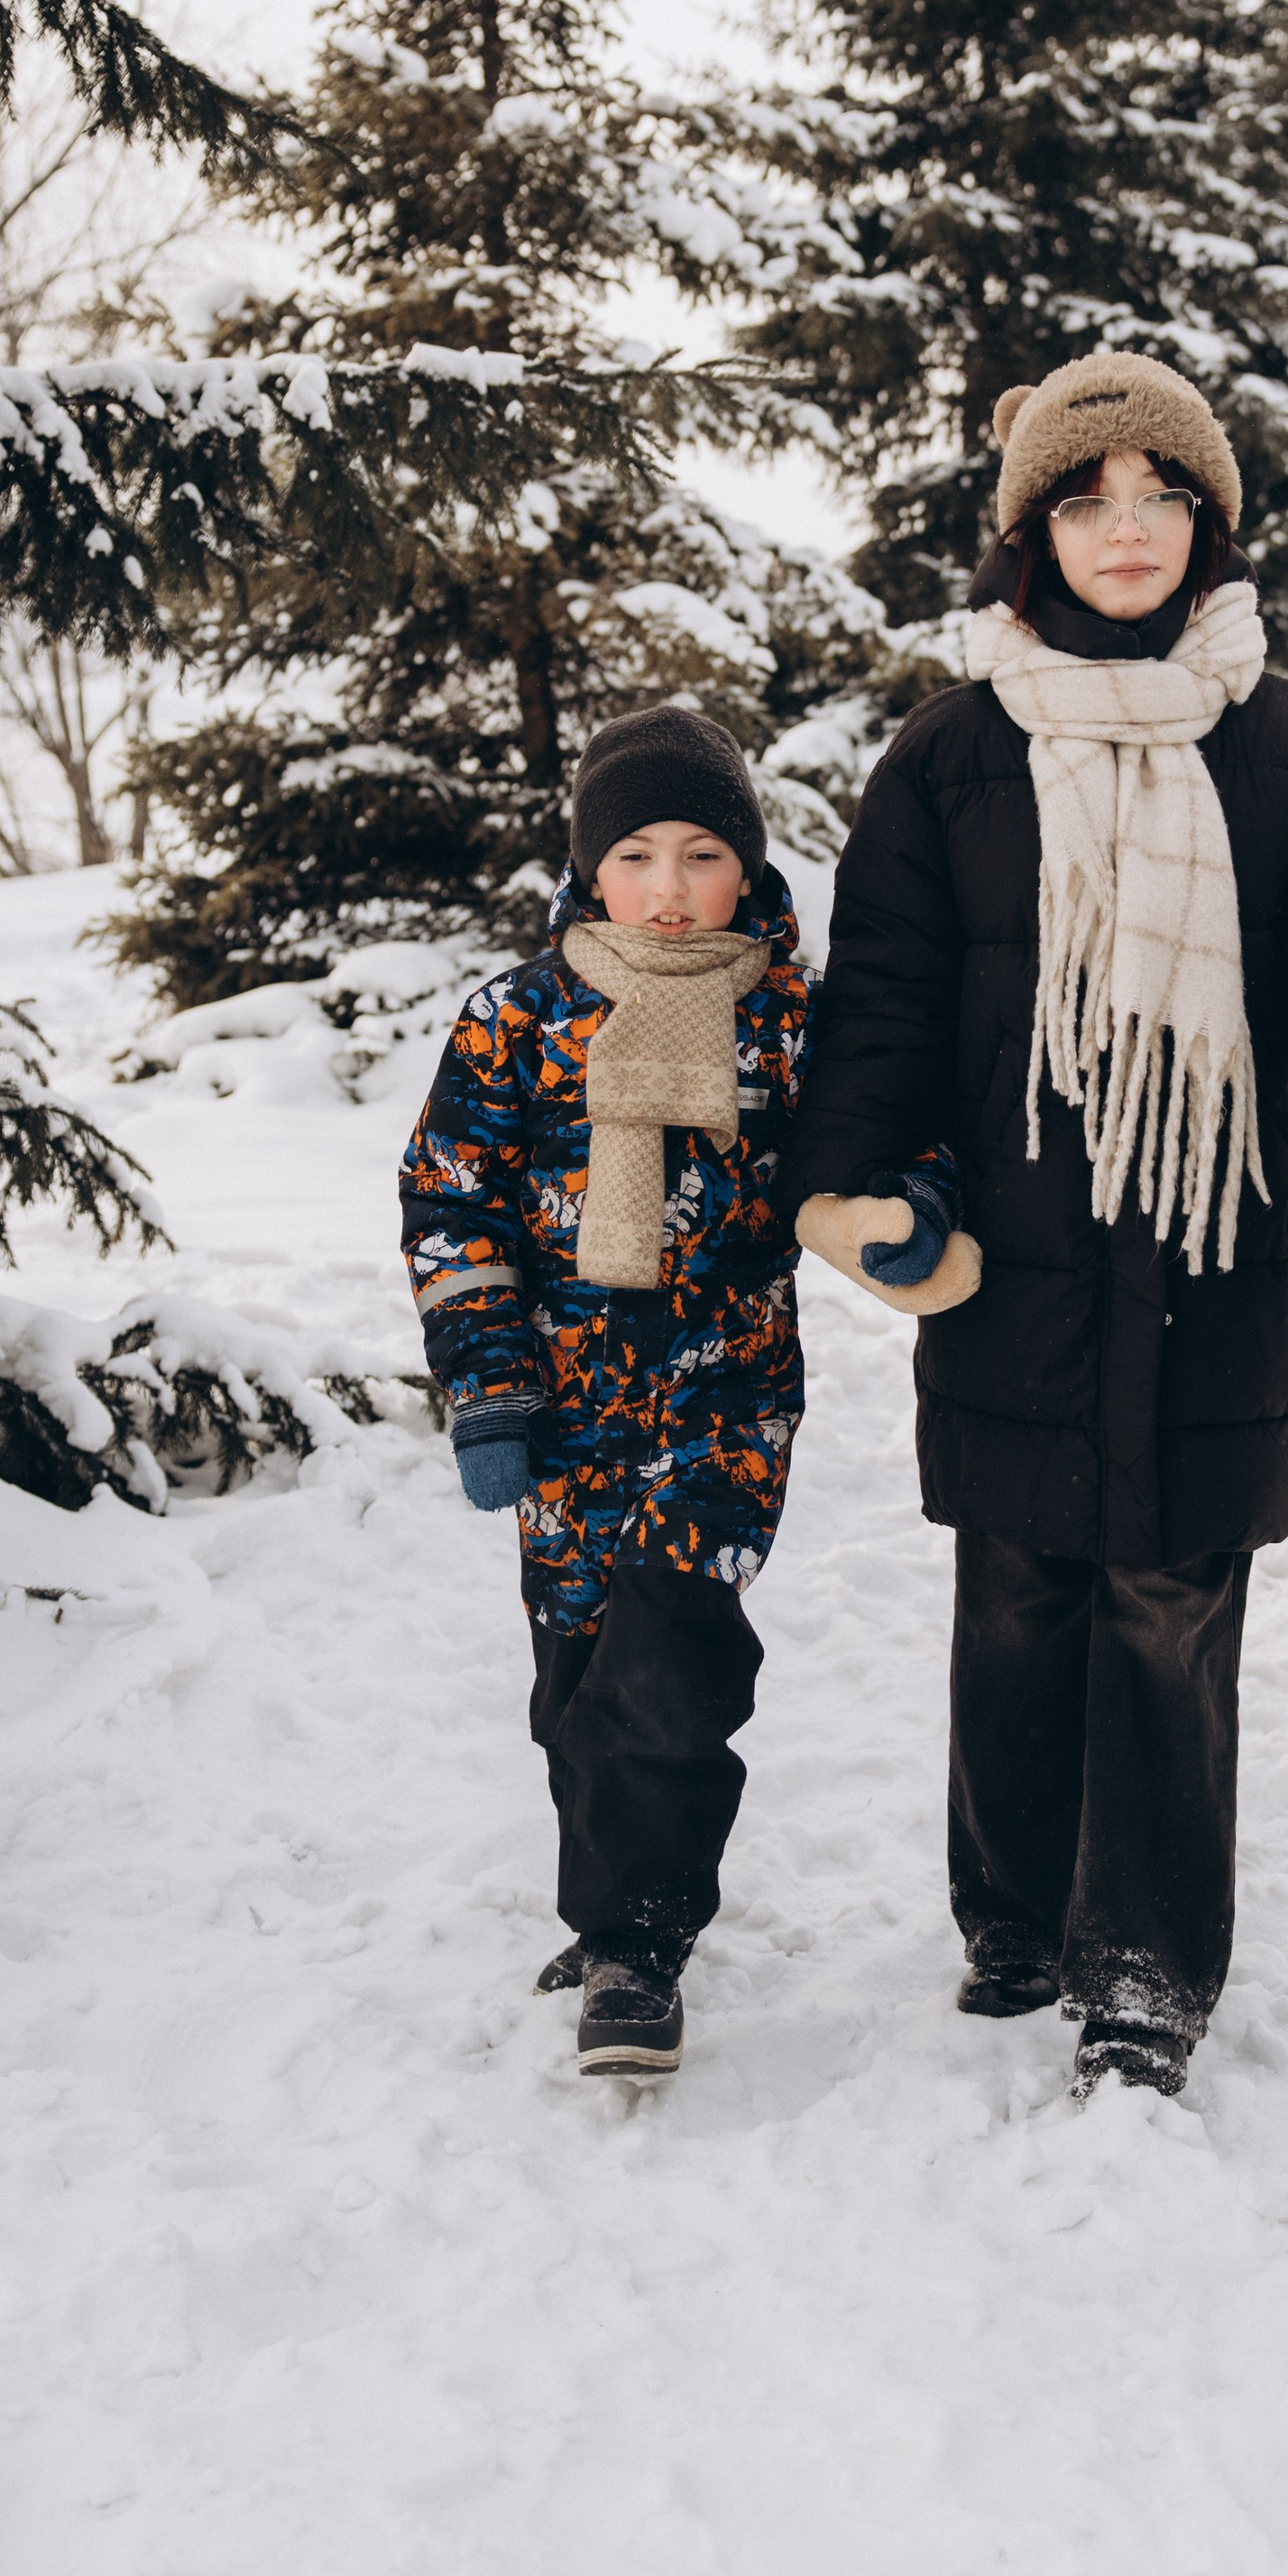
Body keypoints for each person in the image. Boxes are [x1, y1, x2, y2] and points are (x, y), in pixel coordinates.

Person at [787, 349, 1288, 2101]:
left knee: (1167, 1607)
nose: (1125, 525)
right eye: (1086, 498)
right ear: (1031, 531)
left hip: (1213, 1263)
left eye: (1160, 496)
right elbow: (881, 1000)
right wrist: (856, 1173)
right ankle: (1012, 1920)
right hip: (1009, 1264)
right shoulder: (949, 755)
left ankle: (1146, 1971)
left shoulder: (1286, 744)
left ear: (1207, 526)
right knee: (1016, 1593)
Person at [398, 706, 817, 2079]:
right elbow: (452, 1205)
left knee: (671, 1665)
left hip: (725, 1408)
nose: (674, 890)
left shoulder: (792, 1020)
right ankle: (610, 1905)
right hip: (563, 1416)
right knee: (574, 1683)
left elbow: (885, 1139)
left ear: (747, 871)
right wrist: (491, 1391)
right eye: (638, 855)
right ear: (590, 871)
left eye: (705, 856)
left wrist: (914, 1202)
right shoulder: (514, 1020)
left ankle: (641, 1945)